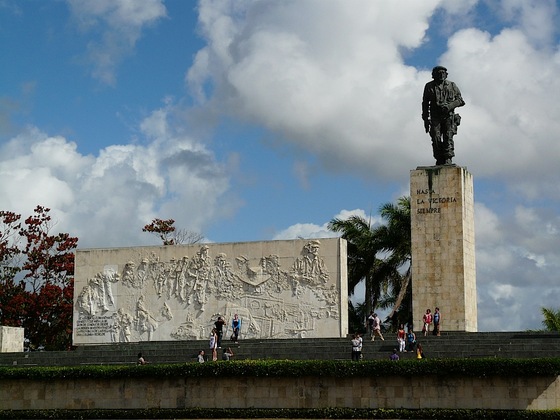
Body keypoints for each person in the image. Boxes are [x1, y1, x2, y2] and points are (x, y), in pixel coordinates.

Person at [422, 66, 465, 165]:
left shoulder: (452, 85)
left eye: (443, 73)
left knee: (448, 136)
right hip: (435, 116)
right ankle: (439, 158)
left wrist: (449, 106)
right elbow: (425, 103)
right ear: (433, 75)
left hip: (448, 116)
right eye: (438, 73)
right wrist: (425, 118)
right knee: (435, 137)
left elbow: (461, 100)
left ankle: (448, 157)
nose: (441, 75)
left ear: (446, 75)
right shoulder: (429, 86)